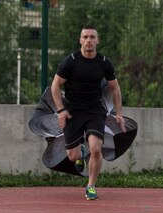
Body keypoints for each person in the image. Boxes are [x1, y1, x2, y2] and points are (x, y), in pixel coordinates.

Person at [51, 26, 126, 200]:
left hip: (94, 110)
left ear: (97, 41)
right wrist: (61, 110)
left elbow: (115, 88)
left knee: (96, 149)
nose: (89, 40)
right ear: (80, 40)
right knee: (73, 156)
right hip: (73, 112)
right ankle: (80, 152)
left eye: (92, 37)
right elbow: (55, 85)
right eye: (85, 37)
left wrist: (119, 113)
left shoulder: (104, 62)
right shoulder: (70, 61)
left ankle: (91, 186)